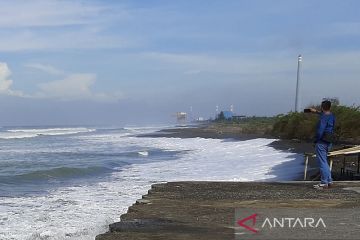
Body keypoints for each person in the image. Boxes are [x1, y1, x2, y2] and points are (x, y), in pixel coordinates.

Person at [309, 100, 335, 189]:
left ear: (322, 107)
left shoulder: (323, 117)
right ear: (330, 107)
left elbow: (320, 130)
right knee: (325, 161)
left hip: (322, 141)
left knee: (322, 162)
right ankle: (329, 181)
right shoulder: (331, 116)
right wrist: (315, 112)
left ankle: (324, 182)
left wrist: (316, 140)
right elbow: (323, 113)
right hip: (329, 141)